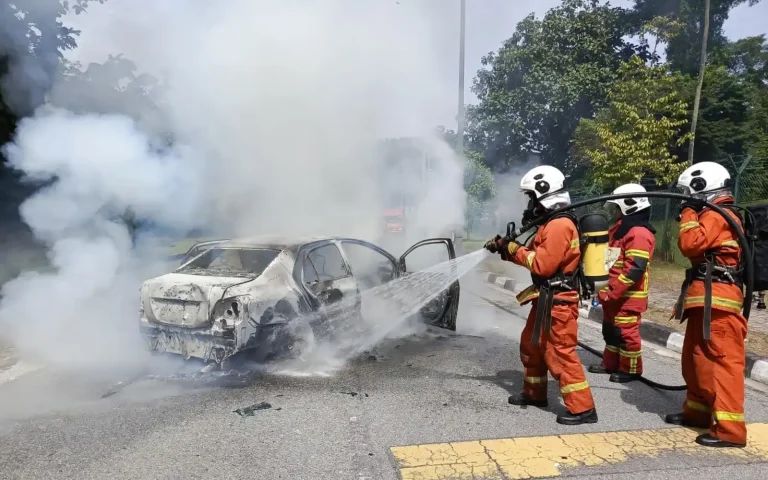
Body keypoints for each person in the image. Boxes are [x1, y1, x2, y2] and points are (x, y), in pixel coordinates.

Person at [484, 165, 597, 425]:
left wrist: (515, 249)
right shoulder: (551, 223)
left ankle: (583, 408)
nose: (530, 204)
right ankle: (535, 393)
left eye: (531, 197)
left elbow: (541, 265)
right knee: (531, 345)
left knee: (559, 352)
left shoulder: (559, 225)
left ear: (543, 193)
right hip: (546, 298)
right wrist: (505, 248)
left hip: (558, 301)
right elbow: (533, 253)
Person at [665, 161, 748, 448]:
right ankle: (698, 412)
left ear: (701, 187)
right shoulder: (713, 214)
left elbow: (690, 244)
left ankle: (730, 431)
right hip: (705, 300)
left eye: (689, 192)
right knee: (696, 359)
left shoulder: (717, 214)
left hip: (719, 303)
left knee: (722, 365)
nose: (686, 199)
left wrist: (689, 212)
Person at [587, 184, 655, 384]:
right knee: (610, 331)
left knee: (626, 334)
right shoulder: (620, 231)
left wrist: (613, 291)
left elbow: (634, 269)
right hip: (612, 295)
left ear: (628, 206)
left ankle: (631, 369)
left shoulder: (638, 233)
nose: (615, 213)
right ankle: (610, 363)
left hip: (627, 297)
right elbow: (609, 262)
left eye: (616, 208)